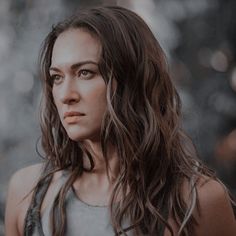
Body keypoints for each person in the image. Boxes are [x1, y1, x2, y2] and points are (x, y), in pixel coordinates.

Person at [4, 5, 236, 236]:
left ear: (132, 81)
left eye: (85, 72)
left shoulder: (201, 201)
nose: (66, 95)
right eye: (57, 77)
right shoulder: (27, 193)